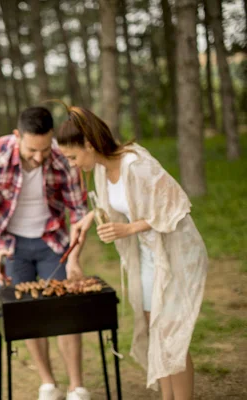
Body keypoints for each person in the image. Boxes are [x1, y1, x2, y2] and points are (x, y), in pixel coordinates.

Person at [55, 104, 208, 400]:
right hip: (150, 257)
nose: (72, 164)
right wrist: (88, 219)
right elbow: (114, 208)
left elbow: (176, 207)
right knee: (155, 330)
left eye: (73, 157)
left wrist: (127, 230)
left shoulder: (136, 165)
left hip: (176, 253)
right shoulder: (101, 169)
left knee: (171, 335)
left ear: (88, 145)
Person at [0, 106, 91, 400]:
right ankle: (48, 383)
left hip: (54, 242)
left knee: (66, 311)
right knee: (27, 314)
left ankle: (77, 386)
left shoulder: (64, 157)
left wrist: (74, 257)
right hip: (11, 246)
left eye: (45, 148)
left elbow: (78, 211)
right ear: (17, 135)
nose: (39, 157)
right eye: (32, 150)